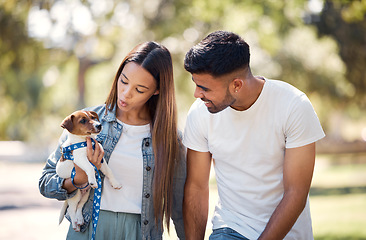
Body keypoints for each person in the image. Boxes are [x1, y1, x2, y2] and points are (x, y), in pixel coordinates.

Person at [182, 30, 325, 240]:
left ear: (237, 85)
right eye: (196, 85)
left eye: (204, 88)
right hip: (230, 228)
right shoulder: (199, 113)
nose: (197, 94)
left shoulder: (293, 106)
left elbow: (296, 192)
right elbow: (196, 186)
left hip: (288, 233)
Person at [39, 41, 186, 240]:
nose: (126, 93)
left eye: (140, 90)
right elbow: (45, 182)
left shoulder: (170, 139)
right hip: (88, 228)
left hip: (140, 233)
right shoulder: (84, 124)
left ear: (157, 91)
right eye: (123, 81)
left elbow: (179, 205)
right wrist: (78, 179)